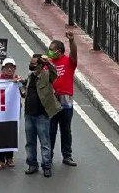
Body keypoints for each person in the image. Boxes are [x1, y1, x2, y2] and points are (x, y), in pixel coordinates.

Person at [22, 54, 60, 177]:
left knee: (45, 142)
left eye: (33, 64)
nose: (31, 66)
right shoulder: (30, 76)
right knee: (30, 142)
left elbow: (55, 73)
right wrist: (20, 88)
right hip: (29, 115)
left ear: (40, 65)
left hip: (42, 115)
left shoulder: (46, 75)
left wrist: (48, 63)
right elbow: (25, 90)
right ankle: (32, 164)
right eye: (30, 63)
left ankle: (46, 166)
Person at [48, 31, 78, 167]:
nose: (49, 52)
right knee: (51, 129)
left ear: (59, 51)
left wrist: (72, 41)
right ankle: (48, 155)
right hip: (51, 100)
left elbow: (74, 54)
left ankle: (67, 155)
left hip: (65, 100)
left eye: (51, 50)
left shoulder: (69, 62)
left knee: (66, 129)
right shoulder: (47, 63)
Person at [0, 58, 21, 170]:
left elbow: (24, 94)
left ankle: (10, 157)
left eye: (11, 67)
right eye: (7, 67)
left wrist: (19, 83)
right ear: (3, 69)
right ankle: (0, 159)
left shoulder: (17, 79)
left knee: (11, 133)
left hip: (13, 112)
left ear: (14, 69)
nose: (9, 69)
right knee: (0, 134)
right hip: (0, 111)